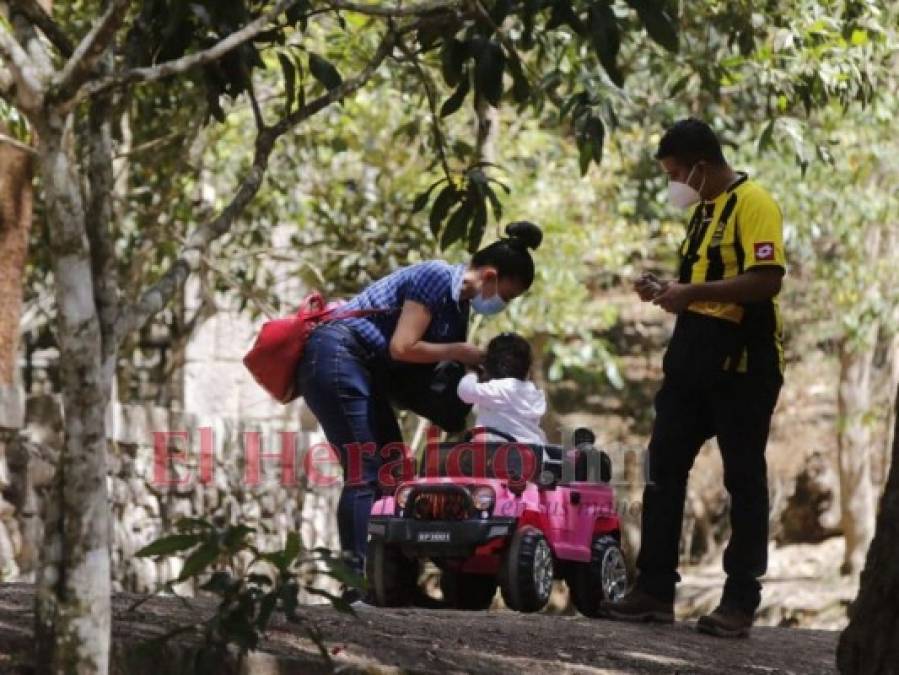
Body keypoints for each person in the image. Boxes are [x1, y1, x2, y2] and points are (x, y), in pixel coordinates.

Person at [602, 118, 785, 638]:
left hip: (744, 367)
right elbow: (706, 285)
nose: (673, 184)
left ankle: (740, 601)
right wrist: (669, 289)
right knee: (662, 468)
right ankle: (654, 591)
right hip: (691, 364)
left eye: (676, 173)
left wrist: (690, 294)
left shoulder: (754, 204)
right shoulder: (703, 212)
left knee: (743, 479)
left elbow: (765, 282)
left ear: (702, 166)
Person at [294, 221, 543, 598]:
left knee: (393, 470)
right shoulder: (435, 277)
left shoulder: (457, 308)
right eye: (505, 296)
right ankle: (357, 585)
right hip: (337, 357)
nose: (500, 305)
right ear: (489, 275)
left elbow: (426, 374)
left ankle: (392, 584)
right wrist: (459, 352)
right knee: (365, 470)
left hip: (365, 373)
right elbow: (402, 347)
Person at [457, 332, 548, 444]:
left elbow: (465, 391)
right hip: (532, 451)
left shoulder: (500, 389)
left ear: (488, 366)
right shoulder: (532, 392)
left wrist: (471, 373)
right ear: (527, 369)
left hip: (499, 454)